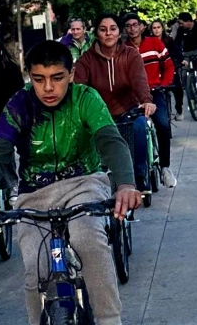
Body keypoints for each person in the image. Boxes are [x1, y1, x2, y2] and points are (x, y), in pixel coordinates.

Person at [0, 40, 141, 325]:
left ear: (71, 75)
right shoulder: (19, 104)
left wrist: (125, 184)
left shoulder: (87, 98)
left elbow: (110, 142)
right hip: (34, 195)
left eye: (57, 78)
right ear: (29, 77)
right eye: (40, 79)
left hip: (84, 184)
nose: (48, 88)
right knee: (35, 269)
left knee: (90, 241)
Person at [73, 12, 155, 191]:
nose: (108, 33)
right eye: (103, 30)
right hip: (99, 116)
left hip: (129, 110)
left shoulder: (130, 55)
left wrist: (146, 100)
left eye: (113, 29)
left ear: (119, 32)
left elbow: (139, 80)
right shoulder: (86, 59)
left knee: (141, 127)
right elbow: (78, 89)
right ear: (96, 33)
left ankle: (140, 175)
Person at [123, 14, 177, 187]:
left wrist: (164, 84)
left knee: (162, 124)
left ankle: (165, 167)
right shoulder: (122, 49)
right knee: (128, 128)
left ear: (141, 27)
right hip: (133, 96)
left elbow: (168, 65)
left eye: (135, 25)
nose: (132, 28)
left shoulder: (155, 43)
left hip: (155, 91)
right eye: (128, 26)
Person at [151, 18, 185, 121]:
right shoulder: (148, 41)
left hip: (169, 67)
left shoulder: (168, 40)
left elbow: (176, 51)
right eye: (154, 28)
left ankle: (179, 109)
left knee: (178, 89)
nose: (156, 30)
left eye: (158, 27)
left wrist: (182, 60)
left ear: (162, 28)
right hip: (155, 70)